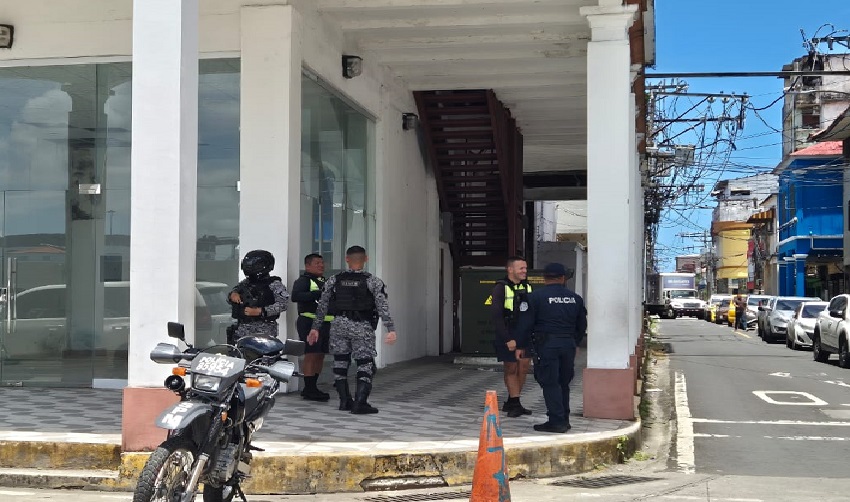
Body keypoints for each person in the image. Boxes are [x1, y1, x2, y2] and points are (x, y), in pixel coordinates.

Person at [308, 246, 397, 415]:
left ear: (346, 259)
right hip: (361, 326)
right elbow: (382, 307)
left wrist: (315, 328)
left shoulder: (334, 280)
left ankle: (344, 401)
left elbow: (322, 306)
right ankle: (360, 403)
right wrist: (390, 329)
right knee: (365, 363)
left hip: (338, 325)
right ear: (366, 259)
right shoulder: (373, 281)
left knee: (340, 362)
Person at [508, 262, 586, 433]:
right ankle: (564, 418)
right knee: (563, 382)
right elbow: (582, 325)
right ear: (563, 278)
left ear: (544, 278)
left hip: (547, 345)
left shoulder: (535, 297)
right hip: (568, 345)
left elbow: (525, 324)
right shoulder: (575, 298)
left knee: (550, 382)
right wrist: (575, 342)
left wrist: (521, 346)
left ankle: (557, 421)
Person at [490, 256, 533, 418]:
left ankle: (513, 400)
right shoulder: (500, 288)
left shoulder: (528, 287)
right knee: (511, 368)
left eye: (525, 268)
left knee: (523, 368)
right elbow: (496, 316)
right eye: (521, 268)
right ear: (510, 270)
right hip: (507, 334)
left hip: (525, 334)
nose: (524, 271)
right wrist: (508, 339)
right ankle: (514, 402)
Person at [291, 253, 333, 402]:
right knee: (311, 353)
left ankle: (313, 386)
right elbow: (295, 296)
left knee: (320, 354)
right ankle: (308, 388)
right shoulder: (304, 280)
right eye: (317, 263)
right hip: (309, 322)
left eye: (322, 263)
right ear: (307, 265)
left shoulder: (326, 281)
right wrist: (316, 293)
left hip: (326, 322)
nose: (321, 265)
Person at [227, 249, 289, 341]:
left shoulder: (274, 284)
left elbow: (283, 304)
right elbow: (233, 296)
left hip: (264, 329)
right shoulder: (245, 283)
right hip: (242, 330)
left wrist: (261, 311)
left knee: (262, 354)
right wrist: (233, 294)